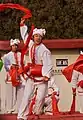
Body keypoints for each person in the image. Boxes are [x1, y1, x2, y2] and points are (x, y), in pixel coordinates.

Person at [17, 19, 54, 120]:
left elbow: (48, 64)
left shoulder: (45, 50)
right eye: (36, 36)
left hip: (41, 76)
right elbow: (25, 37)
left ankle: (36, 113)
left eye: (39, 36)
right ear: (33, 37)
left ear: (42, 38)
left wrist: (47, 75)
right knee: (26, 96)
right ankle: (21, 116)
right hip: (32, 75)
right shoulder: (31, 45)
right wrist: (22, 25)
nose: (37, 38)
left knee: (40, 98)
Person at [3, 39, 25, 113]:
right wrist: (11, 67)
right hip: (11, 75)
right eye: (13, 46)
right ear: (11, 46)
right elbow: (6, 66)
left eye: (16, 45)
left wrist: (20, 69)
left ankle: (18, 108)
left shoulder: (20, 55)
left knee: (20, 92)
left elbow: (23, 63)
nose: (14, 47)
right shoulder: (7, 56)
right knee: (10, 93)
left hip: (19, 75)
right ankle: (9, 108)